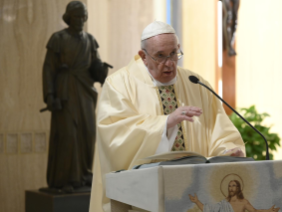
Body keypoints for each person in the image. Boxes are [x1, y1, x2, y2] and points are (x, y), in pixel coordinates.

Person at [89, 21, 245, 212]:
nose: (170, 63)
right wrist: (165, 124)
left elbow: (219, 130)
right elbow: (114, 136)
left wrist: (227, 151)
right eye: (160, 56)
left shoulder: (195, 83)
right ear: (143, 56)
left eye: (174, 53)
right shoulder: (118, 85)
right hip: (143, 200)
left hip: (195, 194)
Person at [42, 1, 107, 193]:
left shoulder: (90, 40)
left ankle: (85, 175)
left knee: (88, 133)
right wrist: (50, 95)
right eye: (77, 16)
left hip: (85, 92)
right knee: (68, 135)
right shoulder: (58, 39)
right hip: (65, 92)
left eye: (83, 16)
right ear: (69, 17)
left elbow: (96, 66)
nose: (81, 20)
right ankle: (65, 179)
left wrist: (101, 71)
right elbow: (48, 70)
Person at [189, 180, 280, 212]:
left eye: (233, 186)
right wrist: (197, 201)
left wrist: (268, 211)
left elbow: (255, 211)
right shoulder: (224, 203)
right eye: (229, 186)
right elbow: (208, 209)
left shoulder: (243, 202)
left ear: (238, 188)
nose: (231, 188)